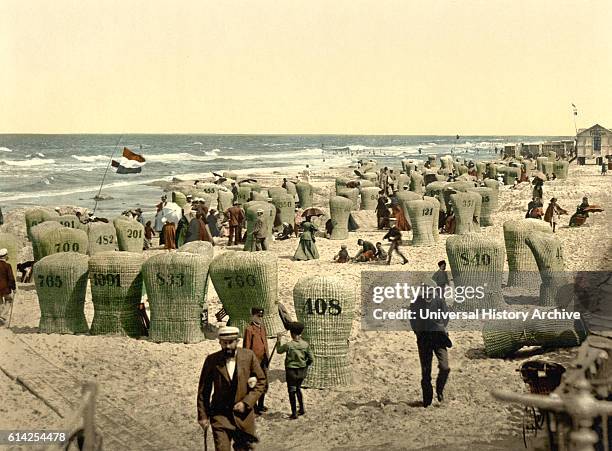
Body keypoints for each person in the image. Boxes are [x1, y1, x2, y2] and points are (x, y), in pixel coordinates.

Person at [197, 326, 266, 451]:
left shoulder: (249, 356)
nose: (227, 346)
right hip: (220, 416)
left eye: (230, 342)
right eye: (224, 343)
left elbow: (261, 381)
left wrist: (246, 403)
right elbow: (204, 390)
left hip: (244, 418)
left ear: (237, 341)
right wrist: (203, 415)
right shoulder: (212, 360)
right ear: (220, 342)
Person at [409, 289, 451, 407]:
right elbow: (413, 319)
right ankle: (427, 400)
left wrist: (439, 327)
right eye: (425, 293)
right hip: (424, 340)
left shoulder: (440, 301)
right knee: (426, 372)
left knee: (445, 367)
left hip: (439, 339)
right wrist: (418, 333)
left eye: (430, 293)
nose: (428, 296)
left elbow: (446, 317)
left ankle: (439, 390)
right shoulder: (416, 302)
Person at [276, 321, 314, 419]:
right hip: (302, 371)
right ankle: (301, 408)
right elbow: (311, 359)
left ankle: (294, 413)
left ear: (292, 334)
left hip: (291, 371)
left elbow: (279, 351)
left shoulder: (289, 345)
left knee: (291, 391)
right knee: (298, 389)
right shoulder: (305, 345)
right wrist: (304, 365)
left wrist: (278, 340)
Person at [243, 308, 270, 415]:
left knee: (264, 383)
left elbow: (265, 343)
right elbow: (247, 347)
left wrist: (267, 356)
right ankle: (253, 406)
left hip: (263, 360)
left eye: (261, 316)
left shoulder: (262, 328)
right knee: (253, 384)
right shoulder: (249, 329)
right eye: (258, 316)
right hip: (254, 362)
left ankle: (260, 405)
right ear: (253, 316)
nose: (260, 318)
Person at [0, 248, 16, 326]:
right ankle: (2, 316)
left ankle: (1, 316)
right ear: (5, 256)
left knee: (0, 302)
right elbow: (11, 278)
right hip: (5, 288)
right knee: (9, 300)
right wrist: (14, 288)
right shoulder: (7, 266)